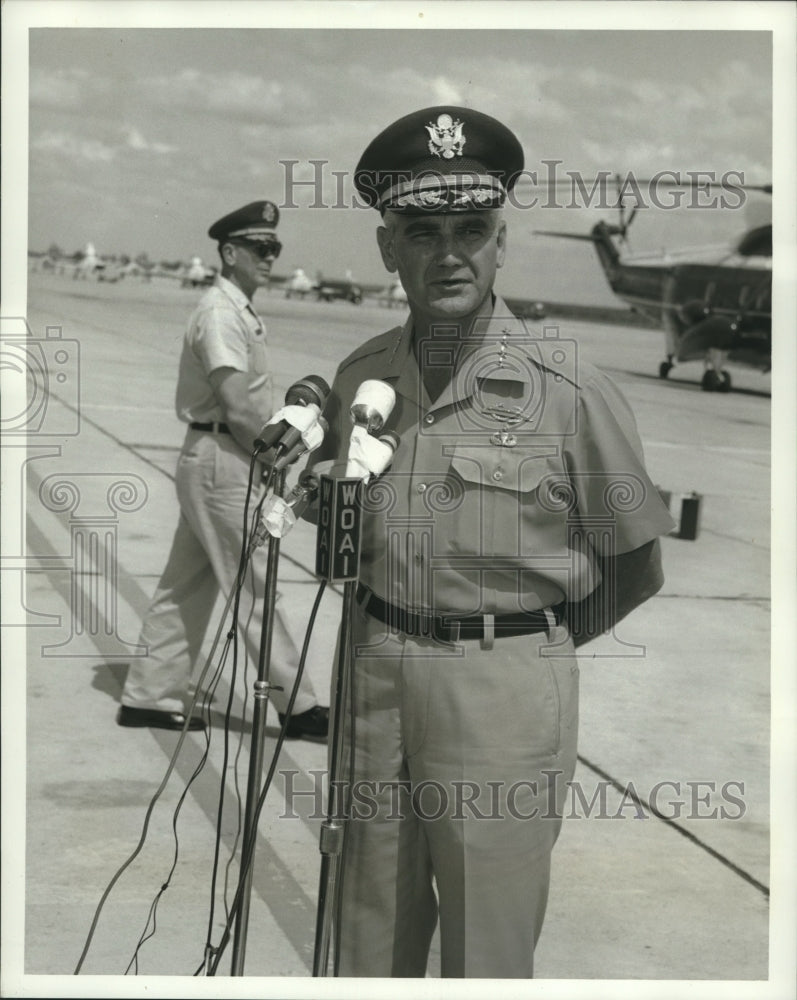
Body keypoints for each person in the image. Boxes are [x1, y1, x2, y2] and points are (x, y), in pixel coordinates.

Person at [304, 107, 676, 977]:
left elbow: (635, 563)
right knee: (362, 935)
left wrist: (521, 647)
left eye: (470, 230)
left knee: (486, 950)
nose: (449, 254)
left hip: (499, 688)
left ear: (499, 243)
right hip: (371, 668)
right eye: (421, 232)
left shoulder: (567, 389)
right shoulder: (361, 376)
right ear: (386, 248)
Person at [118, 201, 328, 740]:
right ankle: (298, 705)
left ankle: (148, 695)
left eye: (274, 247)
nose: (270, 256)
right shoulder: (220, 314)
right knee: (255, 585)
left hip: (220, 456)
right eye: (259, 247)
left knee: (186, 583)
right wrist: (276, 459)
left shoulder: (236, 309)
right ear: (230, 253)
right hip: (224, 458)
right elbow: (236, 405)